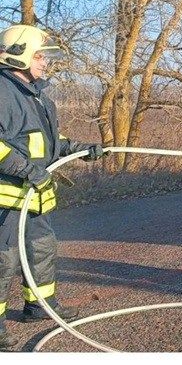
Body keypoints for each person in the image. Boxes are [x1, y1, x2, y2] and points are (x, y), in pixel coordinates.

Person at [0, 25, 107, 349]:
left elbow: (48, 142)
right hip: (7, 199)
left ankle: (40, 306)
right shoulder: (2, 91)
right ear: (18, 55)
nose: (45, 61)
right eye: (39, 55)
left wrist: (79, 148)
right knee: (3, 262)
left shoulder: (37, 96)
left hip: (34, 198)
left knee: (42, 249)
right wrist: (26, 170)